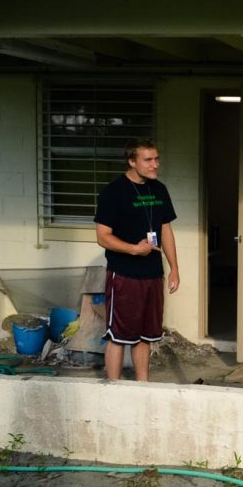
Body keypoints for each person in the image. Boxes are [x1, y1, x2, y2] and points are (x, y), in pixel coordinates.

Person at [94, 138, 180, 381]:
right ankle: (114, 386)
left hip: (152, 274)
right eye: (148, 160)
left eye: (156, 159)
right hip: (124, 274)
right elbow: (103, 236)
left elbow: (165, 230)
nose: (155, 165)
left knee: (146, 335)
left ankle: (142, 387)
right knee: (119, 334)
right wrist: (134, 249)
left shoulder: (159, 189)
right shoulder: (113, 192)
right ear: (132, 162)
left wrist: (174, 268)